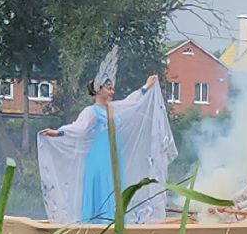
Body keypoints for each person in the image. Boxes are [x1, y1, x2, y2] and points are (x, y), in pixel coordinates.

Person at [37, 71, 174, 224]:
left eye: (112, 88)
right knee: (102, 187)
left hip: (113, 156)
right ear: (99, 89)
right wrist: (58, 132)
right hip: (99, 157)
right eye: (109, 88)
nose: (112, 91)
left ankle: (114, 223)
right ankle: (99, 223)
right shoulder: (91, 111)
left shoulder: (112, 109)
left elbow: (131, 102)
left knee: (114, 187)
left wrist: (146, 87)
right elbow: (79, 128)